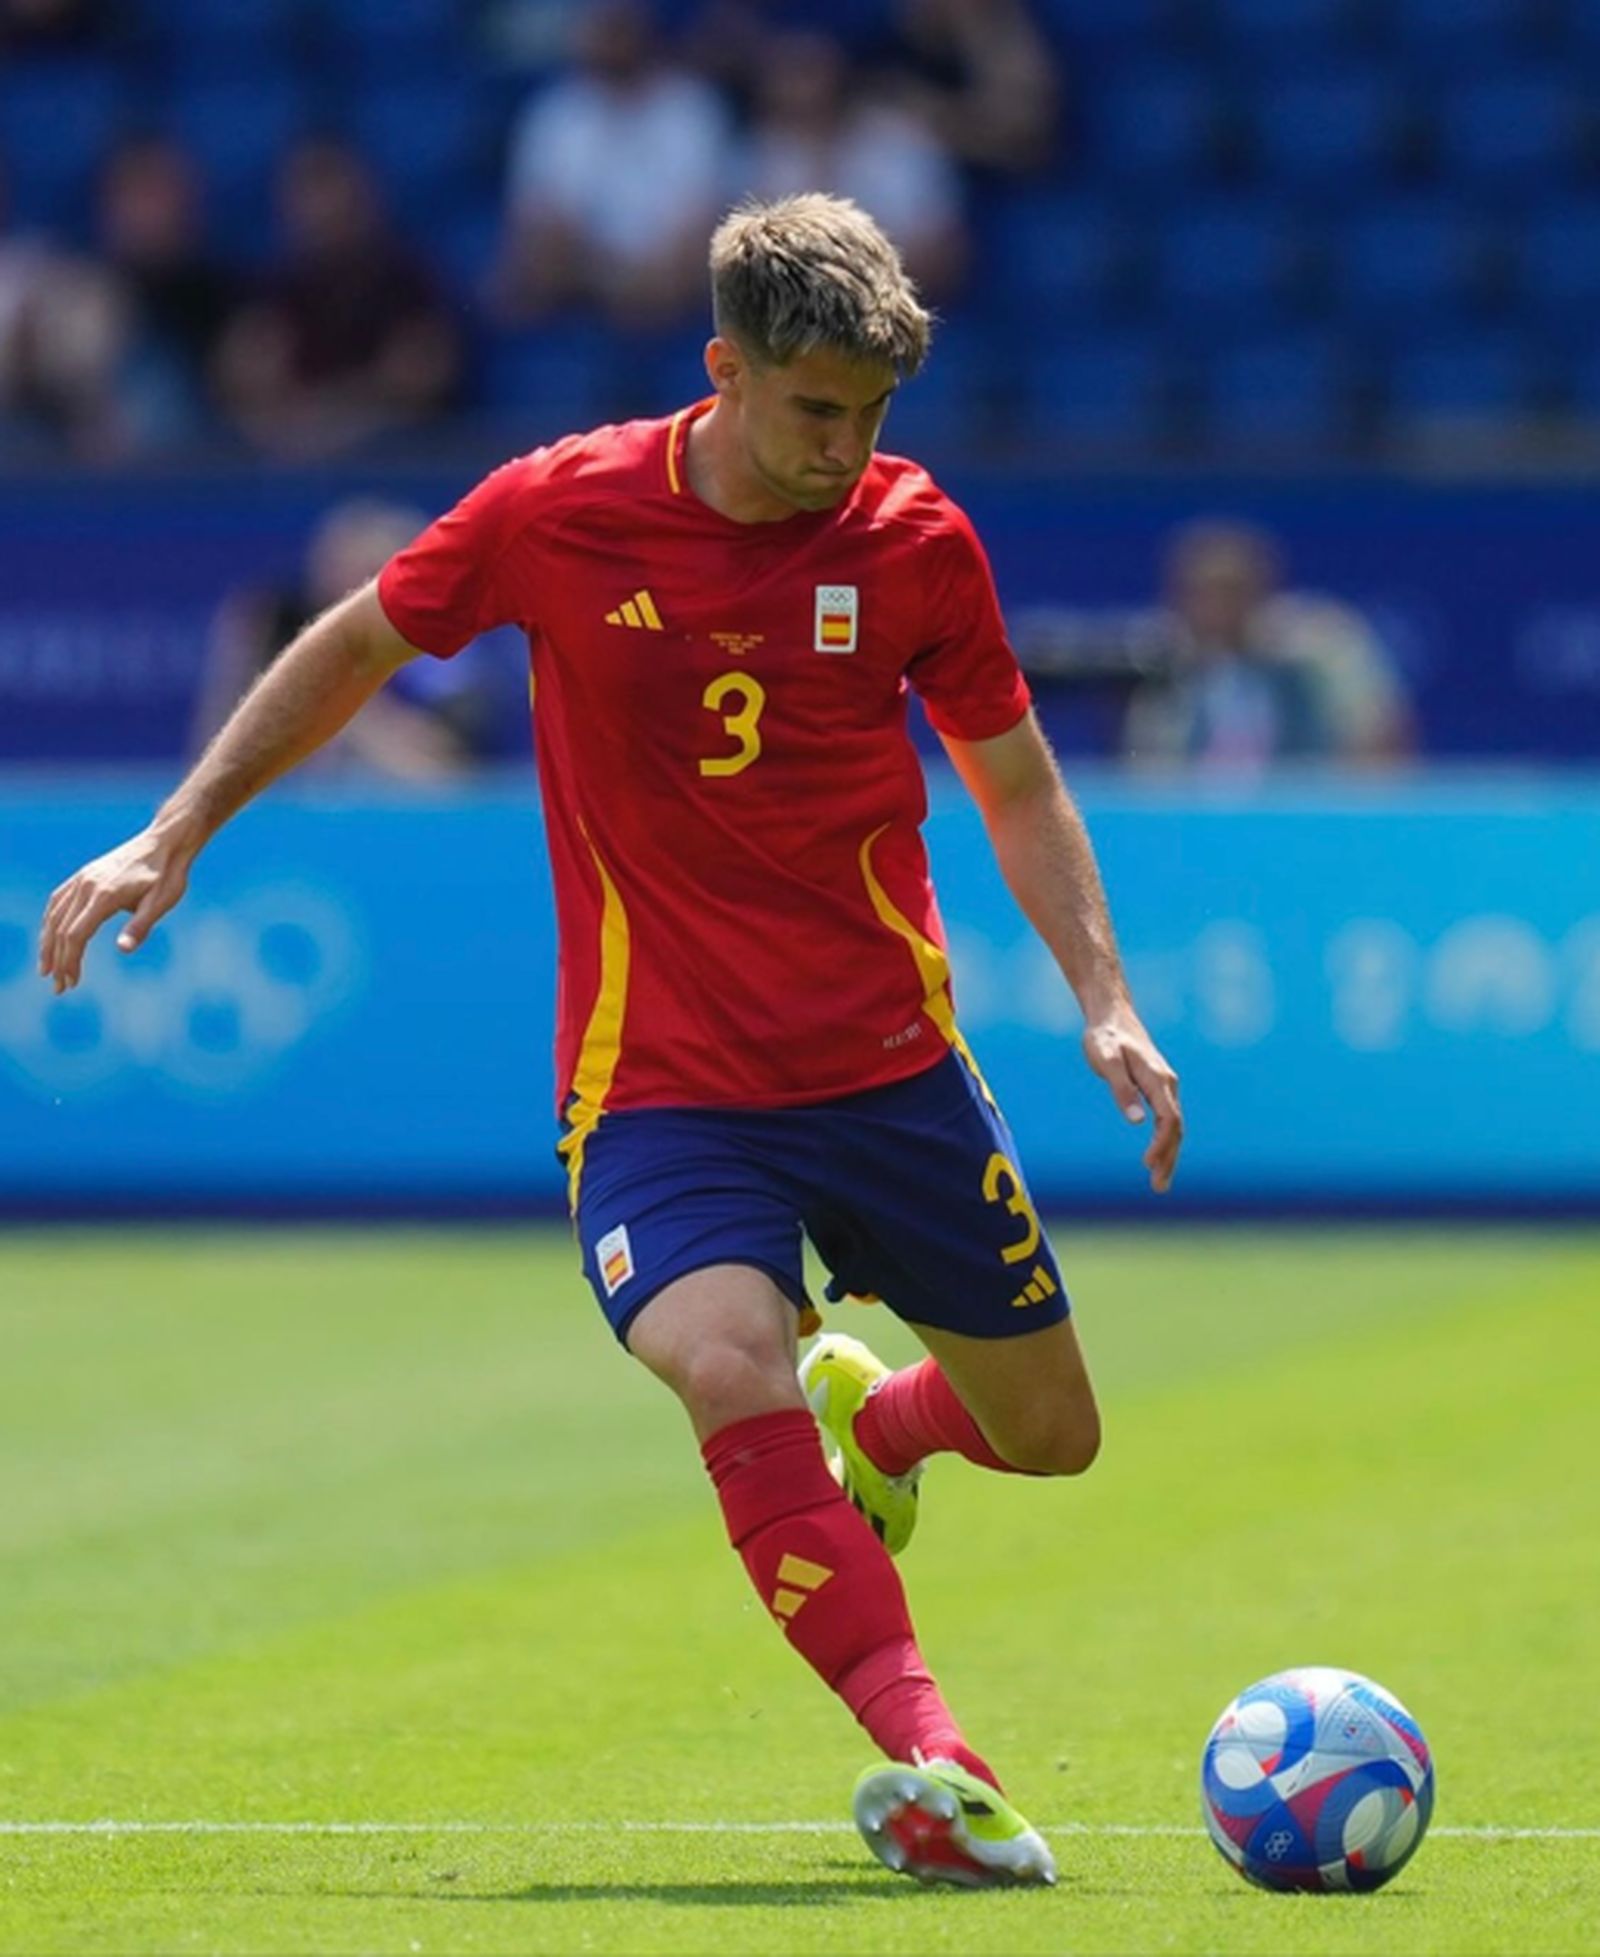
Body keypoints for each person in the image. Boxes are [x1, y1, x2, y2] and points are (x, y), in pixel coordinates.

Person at [38, 194, 1182, 1888]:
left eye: (871, 415)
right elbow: (361, 641)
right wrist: (176, 827)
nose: (845, 447)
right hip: (662, 1090)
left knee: (1051, 1432)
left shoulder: (917, 538)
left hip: (890, 1069)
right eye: (814, 410)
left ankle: (881, 1429)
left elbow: (1014, 775)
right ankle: (942, 1763)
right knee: (728, 1359)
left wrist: (1103, 993)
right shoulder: (557, 512)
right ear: (721, 368)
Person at [192, 499, 524, 780]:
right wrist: (239, 653)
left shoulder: (441, 653)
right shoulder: (282, 630)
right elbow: (213, 761)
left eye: (367, 572)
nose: (347, 590)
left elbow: (443, 777)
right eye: (332, 572)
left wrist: (338, 698)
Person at [214, 137, 462, 461]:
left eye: (330, 194)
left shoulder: (409, 279)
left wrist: (337, 414)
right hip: (296, 458)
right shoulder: (276, 284)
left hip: (396, 458)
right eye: (306, 196)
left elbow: (420, 376)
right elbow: (245, 372)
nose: (320, 212)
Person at [490, 0, 729, 326]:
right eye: (600, 28)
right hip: (578, 300)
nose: (609, 41)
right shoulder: (554, 115)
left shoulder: (692, 108)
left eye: (619, 28)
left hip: (679, 298)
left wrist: (646, 282)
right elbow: (541, 231)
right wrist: (613, 281)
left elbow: (703, 227)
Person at [1123, 519, 1413, 774]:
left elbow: (1381, 736)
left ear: (1264, 590)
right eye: (1202, 594)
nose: (1218, 608)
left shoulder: (1325, 647)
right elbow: (1150, 773)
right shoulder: (1155, 663)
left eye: (1232, 591)